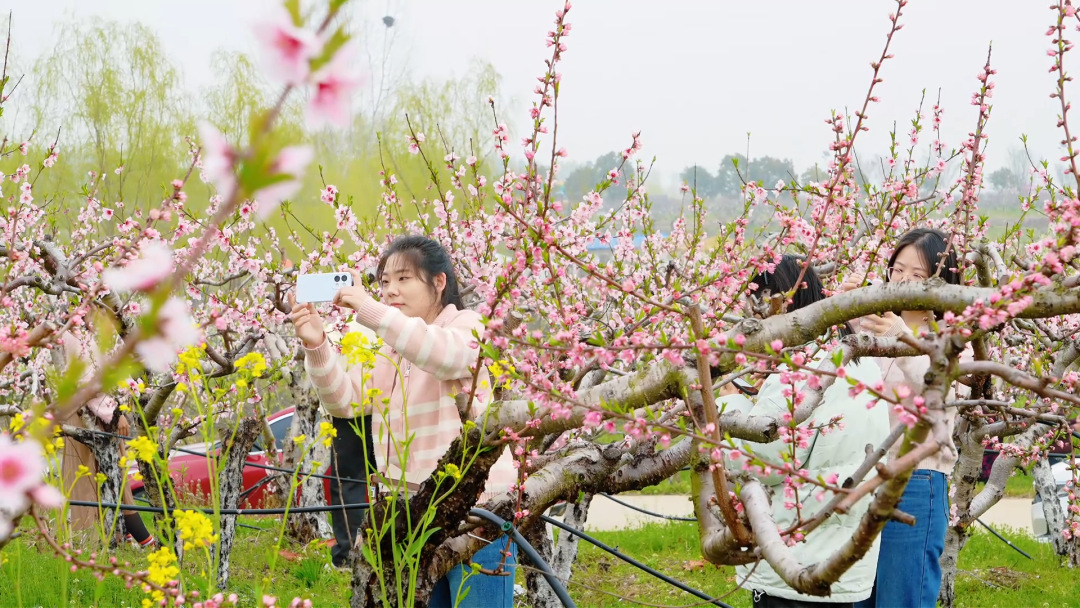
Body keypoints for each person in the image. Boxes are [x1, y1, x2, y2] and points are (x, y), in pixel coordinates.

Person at [290, 235, 518, 607]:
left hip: (478, 511)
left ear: (438, 282)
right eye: (383, 282)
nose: (390, 291)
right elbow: (345, 402)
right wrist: (317, 346)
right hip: (413, 512)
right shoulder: (389, 345)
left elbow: (441, 354)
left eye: (403, 279)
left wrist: (370, 311)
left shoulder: (468, 325)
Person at [718, 255, 889, 607]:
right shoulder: (852, 354)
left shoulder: (797, 367)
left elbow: (760, 455)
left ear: (782, 302)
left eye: (760, 306)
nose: (755, 322)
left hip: (796, 557)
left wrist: (730, 404)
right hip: (841, 558)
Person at [840, 227, 970, 608]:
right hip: (865, 477)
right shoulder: (875, 325)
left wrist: (907, 339)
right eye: (898, 270)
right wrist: (849, 314)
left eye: (918, 275)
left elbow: (944, 399)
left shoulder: (951, 337)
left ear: (940, 281)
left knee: (902, 599)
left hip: (917, 481)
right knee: (858, 596)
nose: (903, 281)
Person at [59, 332, 156, 548]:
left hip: (96, 414)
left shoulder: (90, 332)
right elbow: (86, 383)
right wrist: (114, 413)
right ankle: (143, 543)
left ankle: (124, 537)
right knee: (98, 481)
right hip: (88, 416)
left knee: (111, 480)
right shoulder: (76, 335)